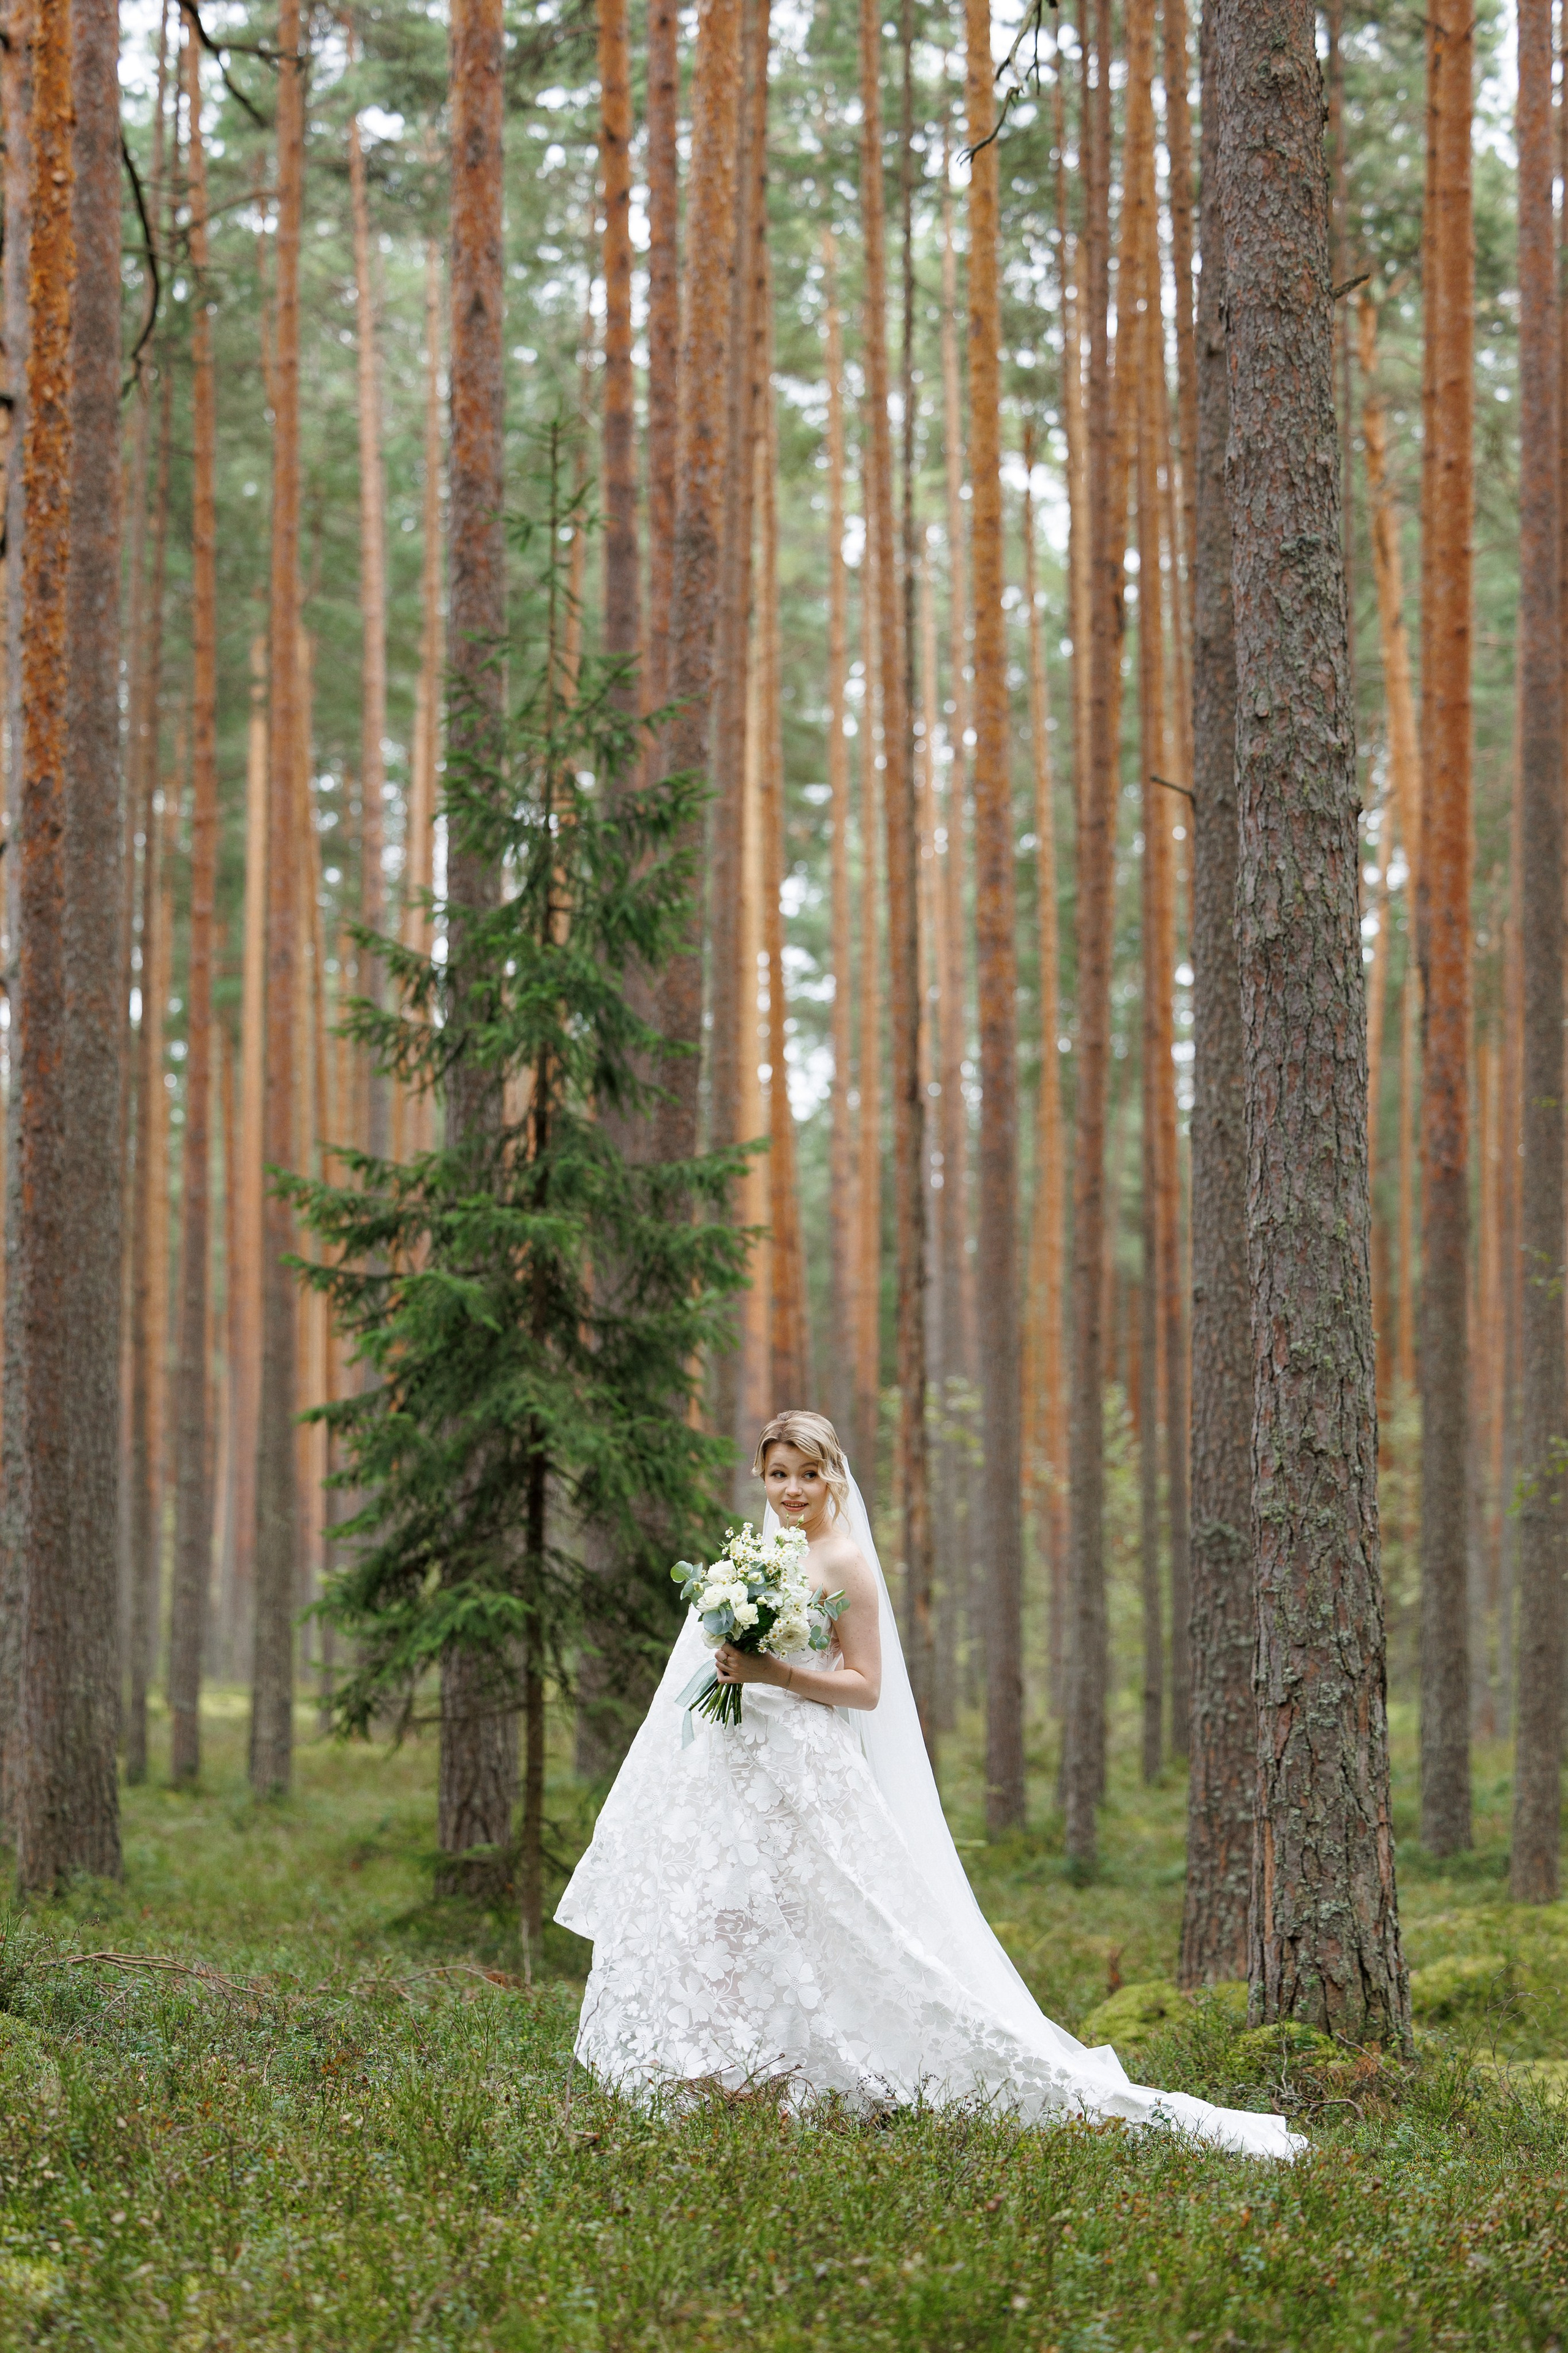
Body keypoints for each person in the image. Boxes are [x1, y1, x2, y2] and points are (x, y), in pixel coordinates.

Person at [556, 1410, 1303, 2159]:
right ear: (761, 1477)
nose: (792, 1489)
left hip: (808, 1771)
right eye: (779, 1473)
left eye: (808, 1474)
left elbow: (865, 1686)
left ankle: (832, 2063)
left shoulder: (843, 1562)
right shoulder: (747, 1557)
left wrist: (774, 1671)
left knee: (836, 1914)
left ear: (832, 1478)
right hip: (737, 1766)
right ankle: (731, 2067)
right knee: (729, 1906)